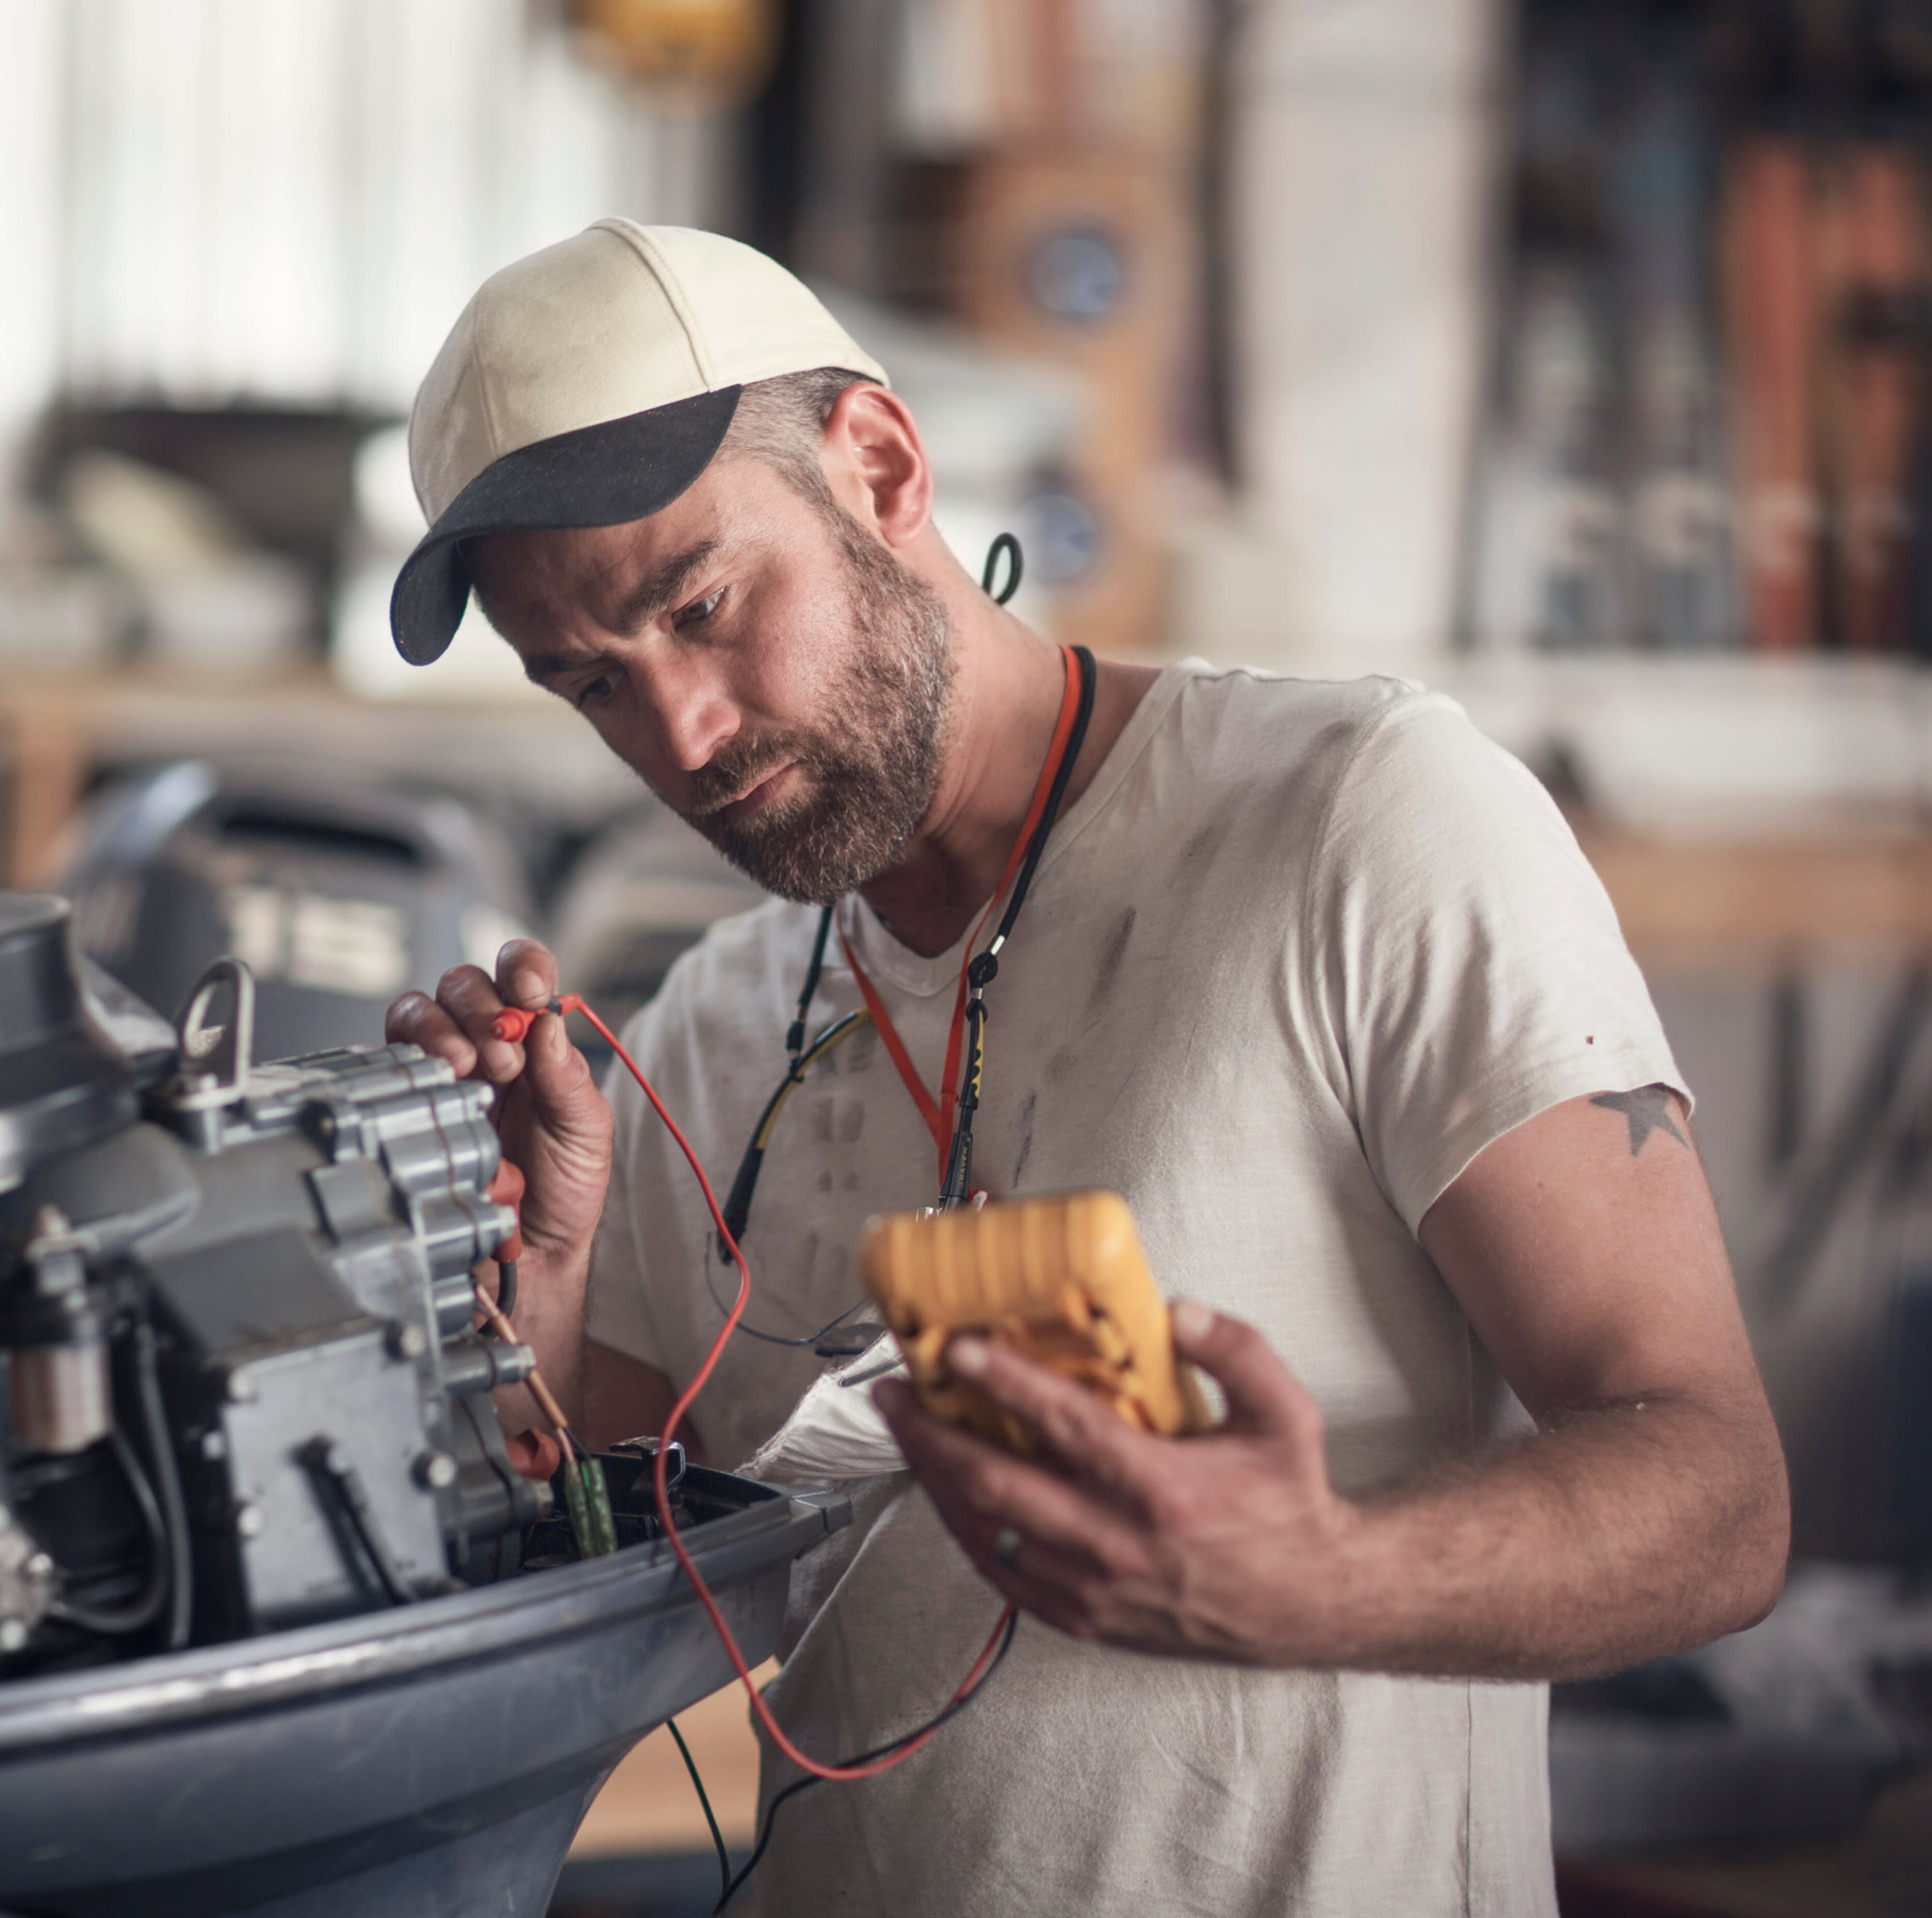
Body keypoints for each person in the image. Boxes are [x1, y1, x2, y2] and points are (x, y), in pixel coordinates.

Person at [384, 218, 1787, 1917]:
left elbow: (1714, 1498)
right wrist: (537, 1292)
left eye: (704, 605)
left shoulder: (1355, 819)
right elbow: (609, 1589)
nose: (678, 736)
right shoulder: (706, 1028)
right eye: (593, 684)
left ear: (881, 467)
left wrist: (1317, 1581)